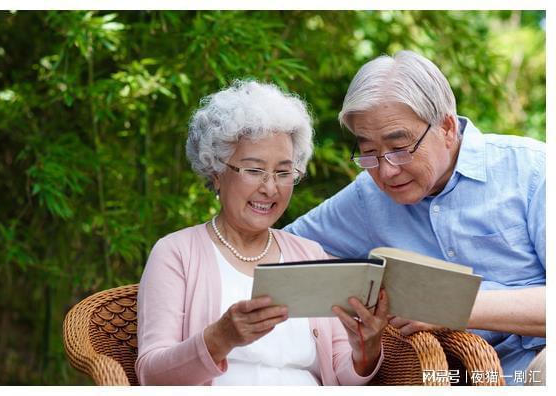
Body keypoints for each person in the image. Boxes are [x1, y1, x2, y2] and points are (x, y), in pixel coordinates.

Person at [284, 50, 545, 385]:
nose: (387, 170)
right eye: (368, 152)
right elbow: (284, 256)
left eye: (400, 147)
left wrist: (448, 305)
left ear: (447, 128)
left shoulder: (532, 171)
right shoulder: (368, 196)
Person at [136, 80, 389, 385]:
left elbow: (341, 372)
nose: (270, 188)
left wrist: (366, 351)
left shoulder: (310, 255)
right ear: (216, 172)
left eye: (283, 173)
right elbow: (151, 376)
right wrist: (220, 337)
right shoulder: (176, 253)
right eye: (254, 170)